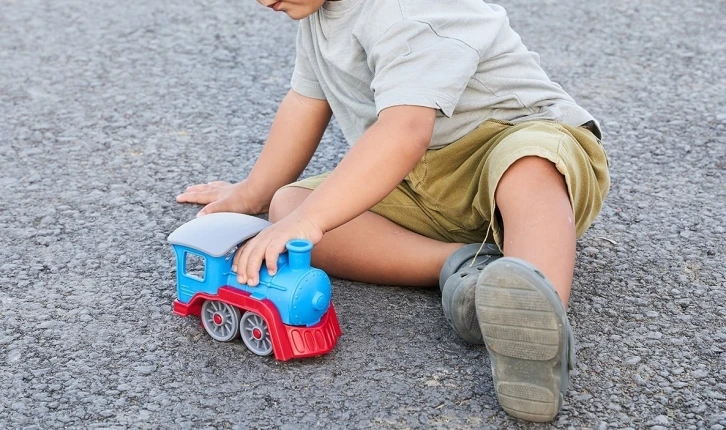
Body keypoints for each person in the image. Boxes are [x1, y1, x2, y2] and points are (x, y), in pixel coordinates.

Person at [176, 0, 610, 422]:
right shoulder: (322, 13)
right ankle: (467, 268)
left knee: (529, 166)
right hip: (415, 179)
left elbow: (404, 133)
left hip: (505, 145)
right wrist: (256, 193)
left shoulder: (409, 10)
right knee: (289, 206)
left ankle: (533, 317)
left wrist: (309, 221)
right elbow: (306, 101)